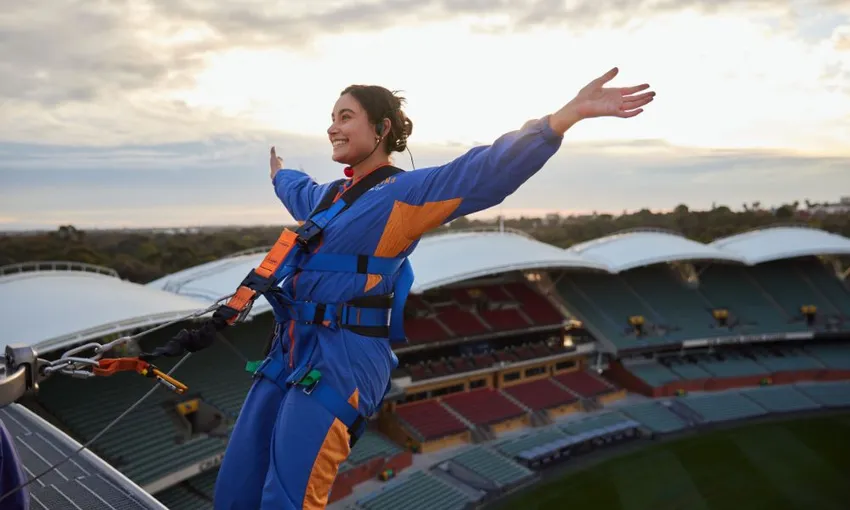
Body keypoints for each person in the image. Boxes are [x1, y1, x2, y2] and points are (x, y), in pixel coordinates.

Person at [166, 67, 654, 509]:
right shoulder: (329, 197)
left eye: (345, 116)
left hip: (344, 360)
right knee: (236, 489)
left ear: (381, 129)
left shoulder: (404, 194)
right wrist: (280, 175)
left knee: (286, 499)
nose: (332, 127)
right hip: (289, 351)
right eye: (331, 118)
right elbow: (298, 189)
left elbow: (485, 171)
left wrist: (562, 118)